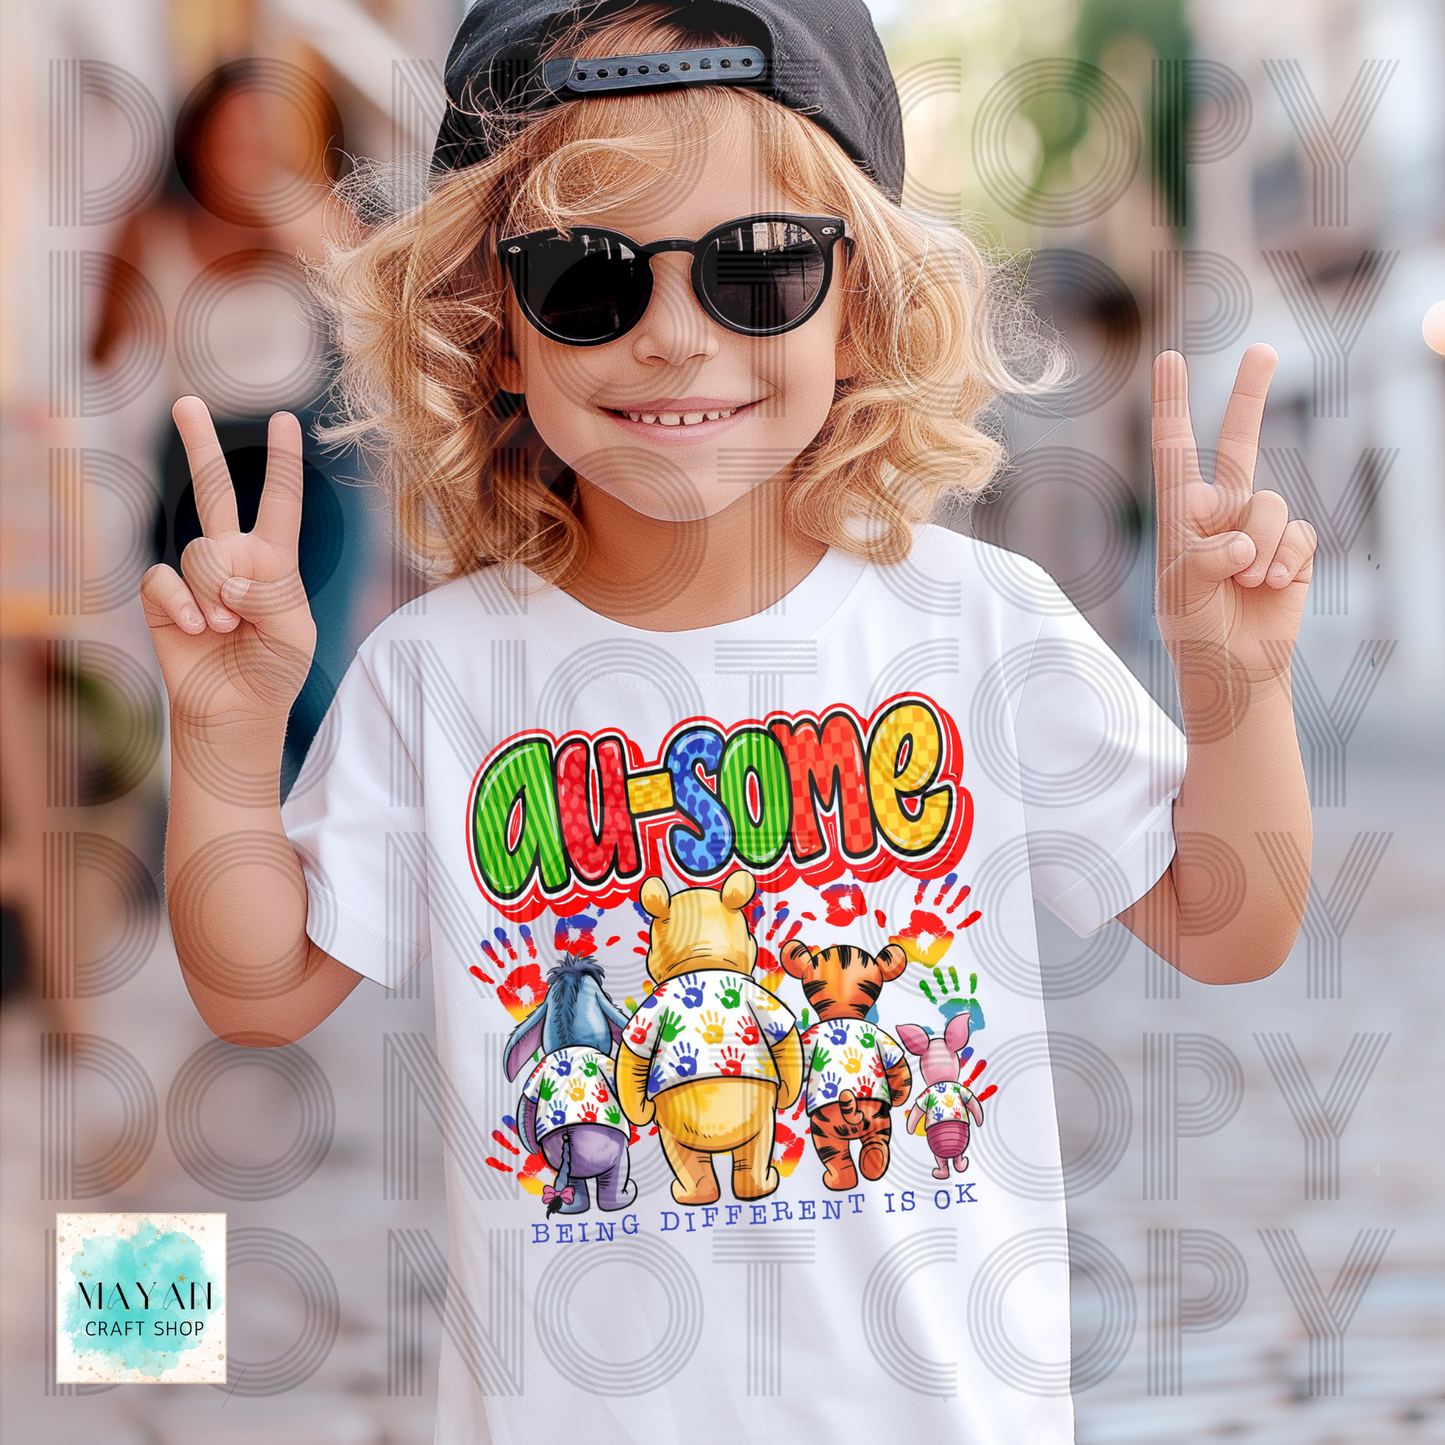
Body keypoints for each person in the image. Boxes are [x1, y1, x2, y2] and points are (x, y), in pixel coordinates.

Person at [138, 1, 1318, 1440]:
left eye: (762, 271)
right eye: (589, 279)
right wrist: (222, 735)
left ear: (863, 308)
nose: (677, 341)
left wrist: (1235, 682)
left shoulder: (979, 627)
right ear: (492, 330)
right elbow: (260, 992)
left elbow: (1233, 924)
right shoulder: (438, 674)